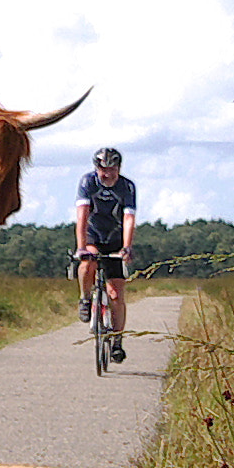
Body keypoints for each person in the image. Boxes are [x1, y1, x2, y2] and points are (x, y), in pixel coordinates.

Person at [74, 147, 136, 362]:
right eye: (103, 170)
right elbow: (82, 216)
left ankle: (117, 341)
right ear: (96, 168)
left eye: (112, 170)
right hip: (93, 235)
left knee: (116, 295)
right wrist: (81, 247)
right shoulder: (87, 182)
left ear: (119, 169)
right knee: (88, 262)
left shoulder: (127, 186)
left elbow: (128, 218)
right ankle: (84, 299)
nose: (107, 174)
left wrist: (127, 247)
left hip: (115, 239)